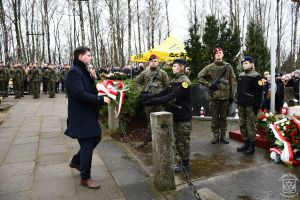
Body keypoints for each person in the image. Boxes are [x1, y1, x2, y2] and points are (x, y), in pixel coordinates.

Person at [65, 46, 111, 189]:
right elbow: (79, 94)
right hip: (80, 115)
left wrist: (94, 79)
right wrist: (99, 100)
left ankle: (76, 161)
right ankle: (85, 177)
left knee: (96, 137)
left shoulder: (82, 70)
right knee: (88, 144)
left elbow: (89, 89)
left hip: (87, 113)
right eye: (88, 55)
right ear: (80, 56)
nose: (91, 57)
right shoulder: (74, 72)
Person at [140, 58, 192, 172]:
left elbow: (170, 97)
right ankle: (180, 163)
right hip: (176, 116)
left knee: (183, 142)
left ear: (181, 67)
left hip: (183, 118)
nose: (172, 68)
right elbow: (162, 93)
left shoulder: (184, 83)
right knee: (176, 141)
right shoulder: (174, 80)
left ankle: (185, 165)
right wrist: (147, 97)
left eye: (174, 66)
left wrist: (150, 101)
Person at [197, 47, 236, 144]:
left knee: (224, 117)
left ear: (223, 54)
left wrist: (232, 95)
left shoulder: (228, 67)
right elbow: (199, 77)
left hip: (226, 96)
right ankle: (215, 135)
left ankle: (223, 135)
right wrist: (209, 85)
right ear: (214, 55)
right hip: (214, 96)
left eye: (220, 52)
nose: (218, 54)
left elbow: (232, 81)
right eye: (216, 53)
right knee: (214, 117)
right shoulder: (210, 67)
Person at [135, 54, 169, 146]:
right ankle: (149, 138)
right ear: (149, 62)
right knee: (149, 120)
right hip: (148, 99)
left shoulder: (163, 73)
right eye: (152, 61)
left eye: (155, 61)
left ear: (158, 62)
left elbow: (167, 86)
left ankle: (161, 139)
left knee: (161, 119)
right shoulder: (145, 73)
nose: (153, 63)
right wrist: (142, 91)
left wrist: (163, 95)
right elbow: (136, 82)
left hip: (159, 100)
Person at [236, 56, 263, 154]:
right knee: (242, 124)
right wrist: (237, 102)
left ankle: (252, 146)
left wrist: (257, 106)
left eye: (246, 63)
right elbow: (239, 90)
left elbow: (259, 93)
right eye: (243, 63)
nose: (244, 65)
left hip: (251, 105)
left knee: (250, 125)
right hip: (241, 104)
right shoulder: (240, 75)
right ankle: (245, 143)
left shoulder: (256, 76)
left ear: (251, 64)